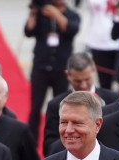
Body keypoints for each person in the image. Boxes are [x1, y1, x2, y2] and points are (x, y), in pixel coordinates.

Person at [42, 52, 119, 155]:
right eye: (77, 81)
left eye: (87, 79)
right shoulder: (55, 105)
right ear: (68, 75)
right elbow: (49, 148)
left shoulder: (113, 99)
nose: (83, 85)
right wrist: (71, 137)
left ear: (93, 70)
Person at [24, 0, 79, 139]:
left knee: (61, 107)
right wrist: (33, 11)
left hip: (61, 70)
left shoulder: (72, 14)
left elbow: (71, 29)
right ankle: (31, 140)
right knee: (35, 107)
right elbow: (29, 31)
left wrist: (56, 14)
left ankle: (58, 139)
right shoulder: (42, 14)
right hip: (40, 68)